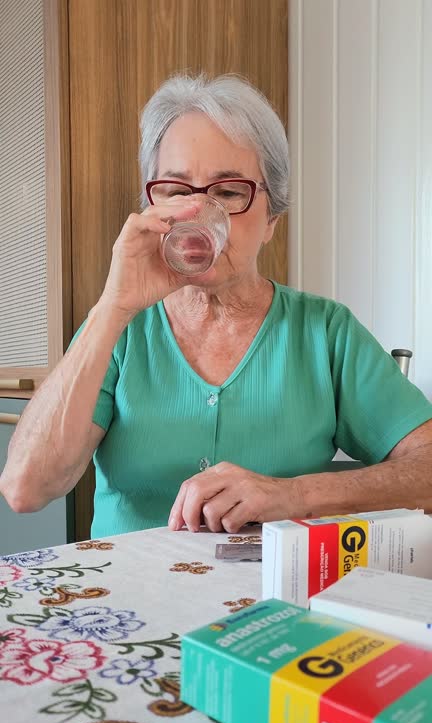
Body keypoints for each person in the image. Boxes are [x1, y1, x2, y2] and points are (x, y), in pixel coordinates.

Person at [1, 74, 432, 538]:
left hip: (276, 599)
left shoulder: (324, 333)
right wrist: (113, 304)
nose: (198, 213)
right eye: (176, 190)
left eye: (228, 192)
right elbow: (26, 490)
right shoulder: (119, 327)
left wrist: (294, 495)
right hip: (127, 605)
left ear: (271, 219)